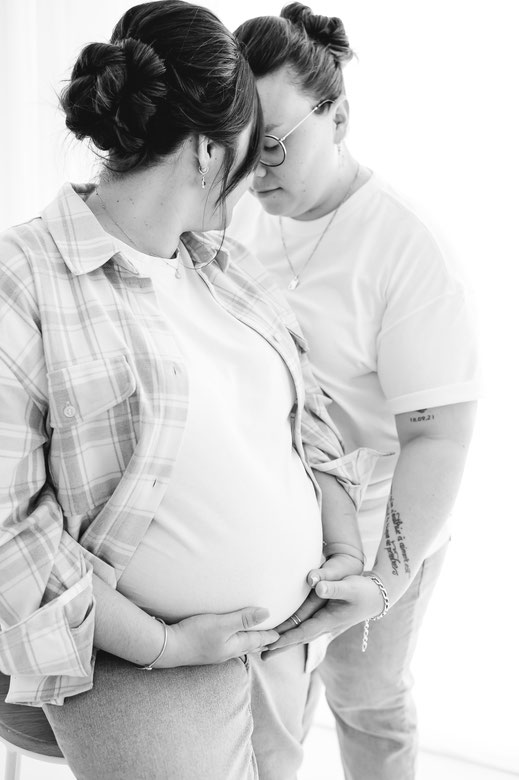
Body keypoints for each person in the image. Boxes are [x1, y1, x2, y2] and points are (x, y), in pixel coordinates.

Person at [0, 2, 377, 778]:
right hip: (141, 664)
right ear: (209, 150)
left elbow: (309, 421)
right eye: (254, 148)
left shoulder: (224, 264)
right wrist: (165, 645)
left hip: (281, 647)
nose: (261, 173)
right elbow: (10, 535)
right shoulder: (23, 282)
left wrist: (344, 555)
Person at [231, 4, 480, 779]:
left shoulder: (405, 249)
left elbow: (437, 436)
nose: (256, 167)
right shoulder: (232, 210)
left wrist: (381, 578)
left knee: (365, 695)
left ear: (338, 116)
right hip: (274, 531)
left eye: (273, 144)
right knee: (268, 717)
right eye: (239, 145)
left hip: (381, 528)